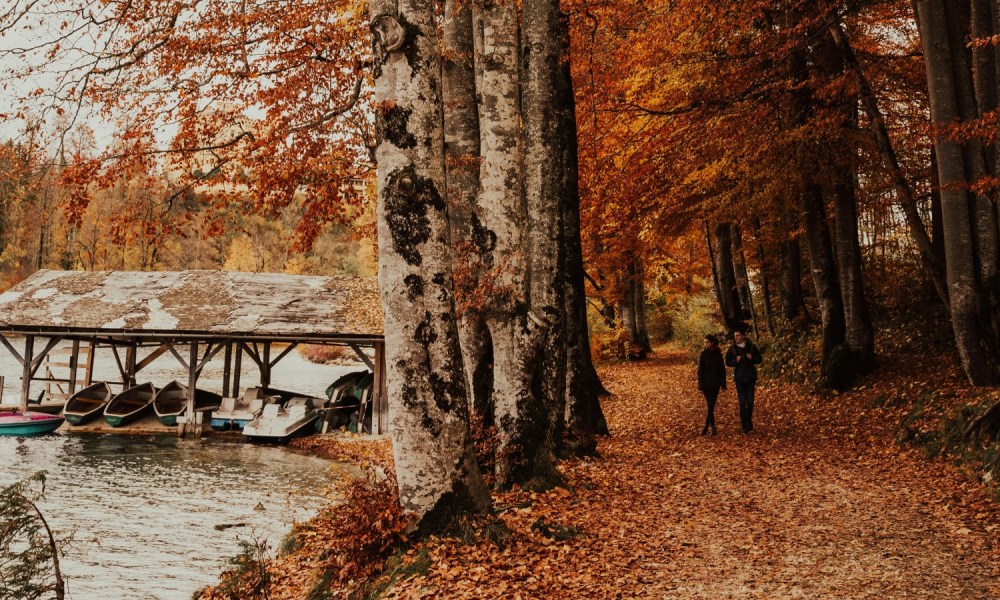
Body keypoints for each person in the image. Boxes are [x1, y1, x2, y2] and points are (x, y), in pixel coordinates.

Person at [725, 327, 763, 434]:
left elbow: (759, 359)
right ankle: (744, 426)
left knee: (750, 402)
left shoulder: (752, 347)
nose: (736, 338)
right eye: (735, 336)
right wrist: (735, 361)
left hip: (750, 378)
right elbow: (727, 362)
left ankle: (748, 421)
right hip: (739, 378)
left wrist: (751, 358)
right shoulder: (732, 349)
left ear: (743, 336)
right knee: (742, 402)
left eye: (738, 335)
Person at [697, 334, 726, 436]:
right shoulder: (702, 353)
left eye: (707, 342)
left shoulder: (718, 354)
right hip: (706, 384)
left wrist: (723, 384)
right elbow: (699, 371)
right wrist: (700, 386)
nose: (705, 344)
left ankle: (706, 427)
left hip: (716, 383)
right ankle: (713, 428)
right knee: (710, 405)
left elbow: (722, 369)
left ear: (712, 342)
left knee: (711, 406)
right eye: (704, 342)